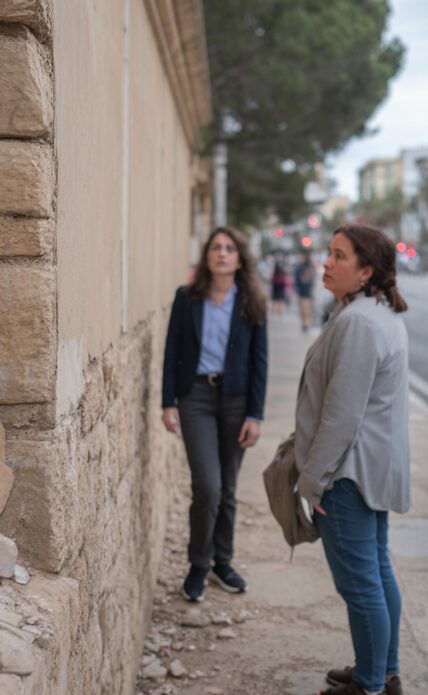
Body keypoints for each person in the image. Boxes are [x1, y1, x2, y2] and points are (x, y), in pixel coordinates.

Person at [295, 224, 411, 695]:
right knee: (376, 574)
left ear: (366, 271)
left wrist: (312, 479)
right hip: (367, 469)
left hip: (348, 475)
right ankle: (383, 672)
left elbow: (342, 416)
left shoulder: (360, 322)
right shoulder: (370, 312)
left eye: (339, 256)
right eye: (329, 252)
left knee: (361, 586)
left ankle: (369, 684)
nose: (326, 262)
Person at [162, 226, 268, 603]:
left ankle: (222, 562)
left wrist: (255, 414)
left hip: (236, 400)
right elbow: (172, 350)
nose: (222, 253)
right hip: (196, 398)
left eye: (229, 248)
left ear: (239, 259)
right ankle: (198, 564)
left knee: (228, 488)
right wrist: (168, 402)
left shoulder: (251, 301)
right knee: (207, 486)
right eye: (216, 247)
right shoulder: (187, 298)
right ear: (207, 256)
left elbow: (260, 362)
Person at [294, 253, 317, 332]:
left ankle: (305, 322)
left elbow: (297, 279)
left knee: (305, 307)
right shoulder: (303, 267)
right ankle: (305, 322)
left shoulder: (302, 267)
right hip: (305, 290)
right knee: (305, 307)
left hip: (305, 290)